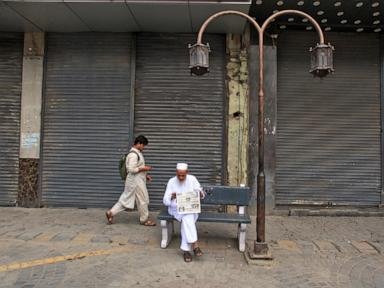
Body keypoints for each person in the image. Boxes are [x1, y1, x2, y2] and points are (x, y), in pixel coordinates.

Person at [106, 135, 156, 226]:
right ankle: (144, 220)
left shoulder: (136, 153)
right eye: (143, 145)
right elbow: (131, 169)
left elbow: (136, 168)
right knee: (143, 200)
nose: (144, 147)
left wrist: (146, 176)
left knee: (126, 199)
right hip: (136, 182)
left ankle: (111, 212)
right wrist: (144, 168)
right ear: (139, 143)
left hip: (134, 180)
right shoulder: (133, 154)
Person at [163, 163, 204, 262]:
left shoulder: (192, 179)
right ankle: (195, 245)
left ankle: (186, 251)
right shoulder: (171, 181)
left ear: (187, 173)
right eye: (179, 175)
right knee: (187, 217)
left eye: (183, 175)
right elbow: (165, 200)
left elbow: (201, 193)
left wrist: (200, 193)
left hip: (191, 209)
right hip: (176, 210)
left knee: (187, 218)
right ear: (176, 173)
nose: (181, 177)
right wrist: (171, 197)